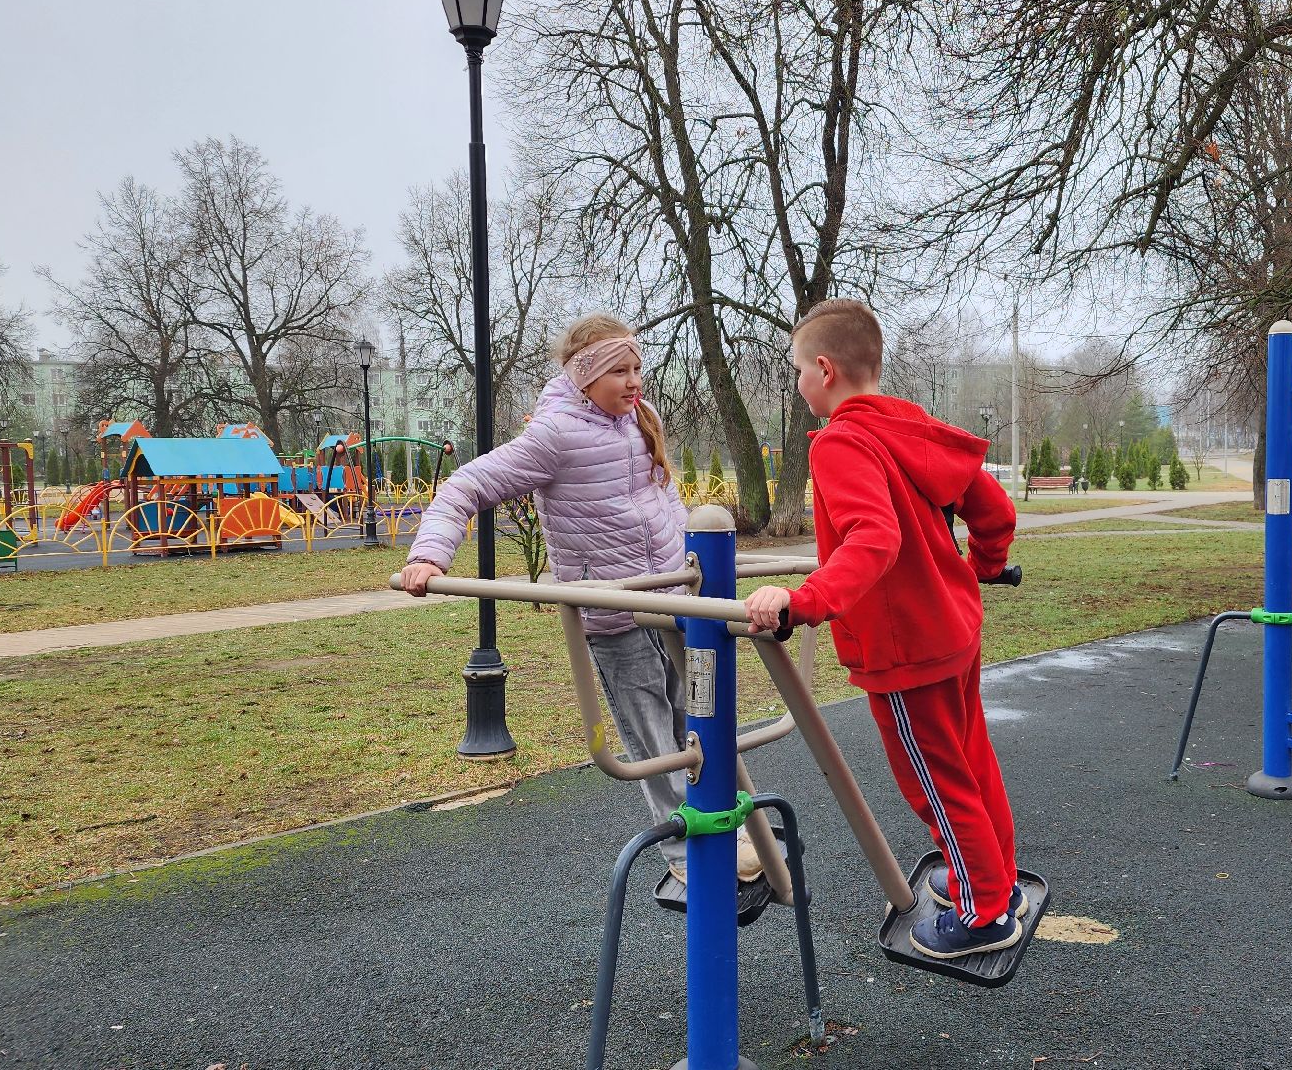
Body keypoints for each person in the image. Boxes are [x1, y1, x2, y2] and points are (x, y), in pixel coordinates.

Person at [399, 313, 760, 886]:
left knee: (699, 715)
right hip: (616, 613)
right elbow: (466, 485)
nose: (634, 379)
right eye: (619, 369)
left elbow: (661, 505)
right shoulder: (554, 435)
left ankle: (726, 826)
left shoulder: (640, 419)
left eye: (638, 367)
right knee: (650, 733)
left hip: (674, 603)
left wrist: (694, 570)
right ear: (584, 375)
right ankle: (685, 853)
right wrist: (429, 556)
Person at [742, 298, 1022, 959]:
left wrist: (801, 602)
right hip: (952, 630)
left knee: (937, 781)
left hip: (906, 651)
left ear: (824, 368)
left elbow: (874, 539)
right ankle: (994, 882)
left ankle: (983, 915)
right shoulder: (912, 426)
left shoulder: (841, 443)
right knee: (971, 763)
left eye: (796, 370)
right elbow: (993, 507)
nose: (798, 383)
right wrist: (984, 564)